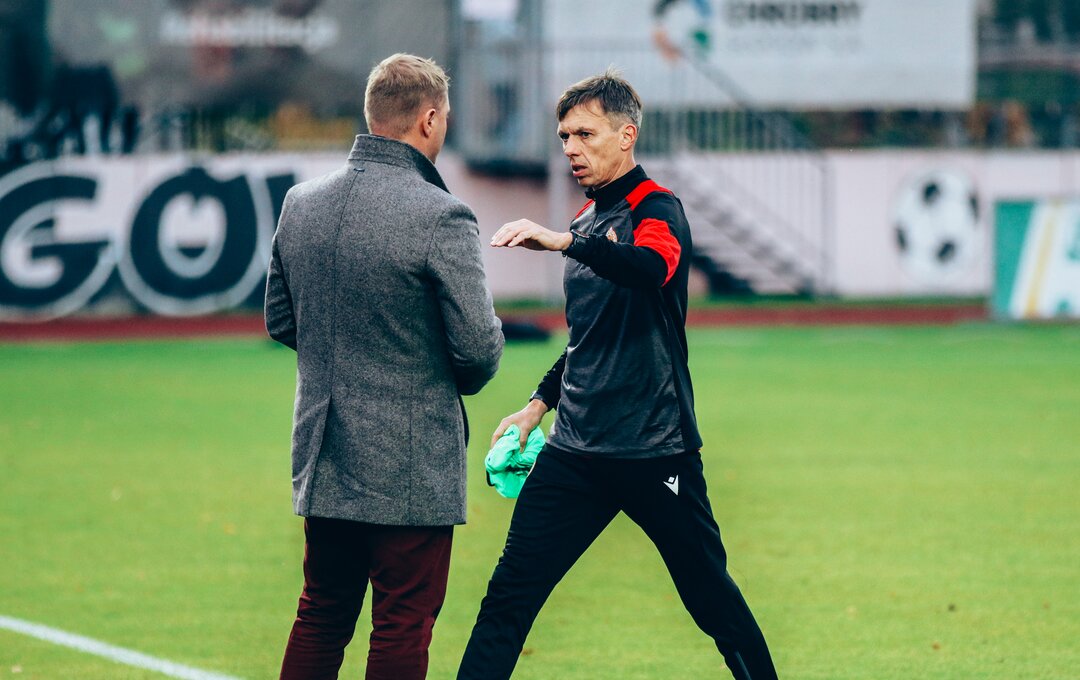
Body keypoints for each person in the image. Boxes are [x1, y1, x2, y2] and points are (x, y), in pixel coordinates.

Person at [457, 70, 778, 680]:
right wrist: (536, 405)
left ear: (626, 135)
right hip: (575, 454)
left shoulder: (657, 208)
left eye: (586, 134)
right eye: (564, 136)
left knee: (711, 599)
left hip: (656, 451)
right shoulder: (584, 220)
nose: (571, 148)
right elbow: (589, 337)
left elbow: (651, 266)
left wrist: (564, 244)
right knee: (509, 596)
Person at [265, 53, 504, 680]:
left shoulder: (300, 202)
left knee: (321, 613)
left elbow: (281, 321)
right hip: (410, 463)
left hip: (325, 454)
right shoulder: (441, 214)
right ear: (429, 120)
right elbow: (478, 348)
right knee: (402, 622)